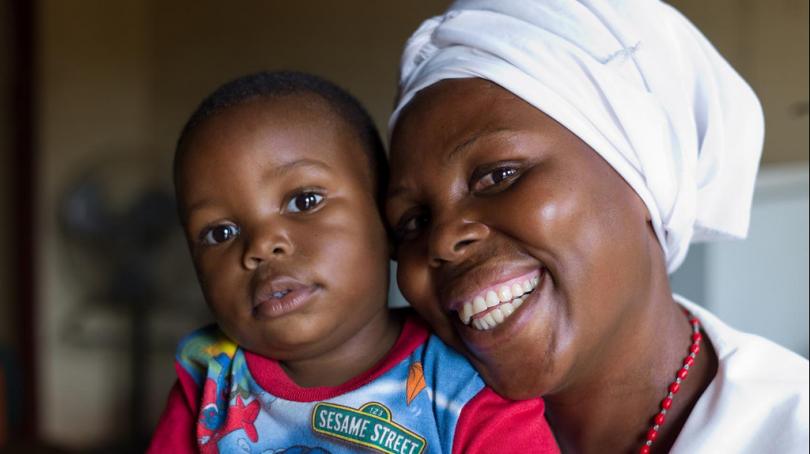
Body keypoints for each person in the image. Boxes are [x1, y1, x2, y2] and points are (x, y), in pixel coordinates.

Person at [385, 1, 809, 453]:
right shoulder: (385, 427)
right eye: (413, 222)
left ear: (644, 175)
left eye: (499, 176)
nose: (443, 239)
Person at [148, 71, 559, 453]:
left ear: (385, 217)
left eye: (304, 201)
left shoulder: (460, 381)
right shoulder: (211, 376)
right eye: (220, 233)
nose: (261, 245)